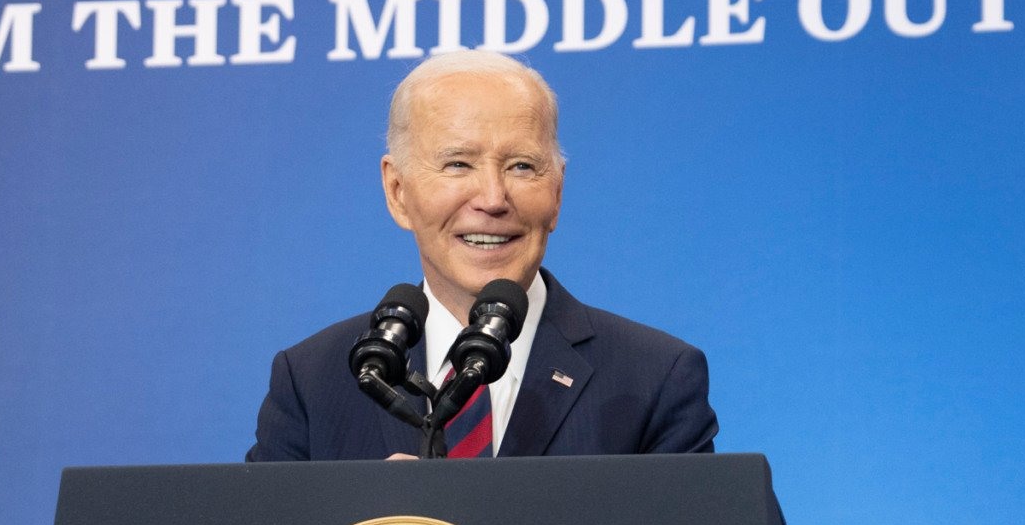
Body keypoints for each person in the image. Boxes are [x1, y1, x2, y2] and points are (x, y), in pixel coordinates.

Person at [247, 50, 717, 461]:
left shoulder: (655, 378)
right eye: (458, 164)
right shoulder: (313, 380)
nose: (493, 198)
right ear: (397, 191)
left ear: (556, 191)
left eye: (521, 166)